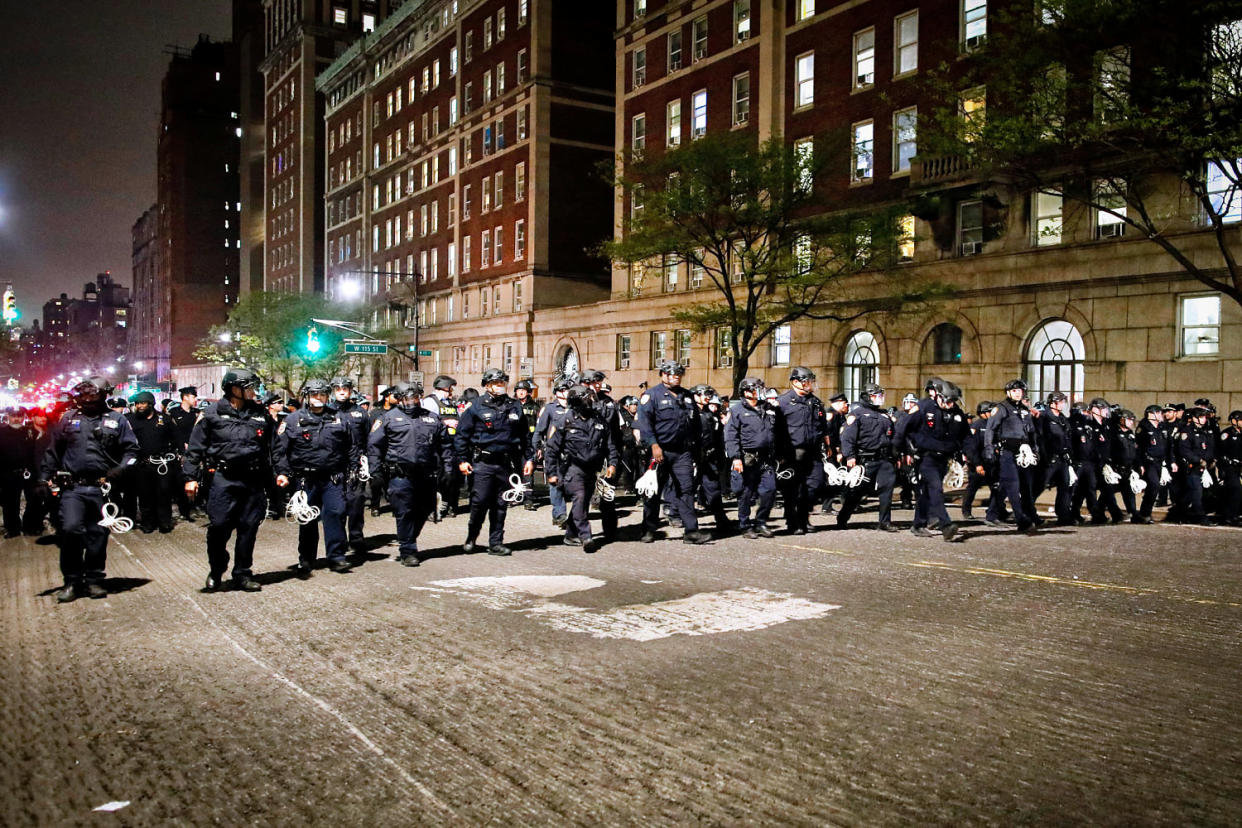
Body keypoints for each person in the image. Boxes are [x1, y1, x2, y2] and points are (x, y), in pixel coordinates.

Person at [39, 377, 139, 602]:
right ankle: (72, 581)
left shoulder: (117, 420)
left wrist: (120, 470)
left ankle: (94, 579)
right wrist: (43, 479)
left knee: (98, 535)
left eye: (92, 396)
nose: (86, 401)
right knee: (71, 530)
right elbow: (53, 451)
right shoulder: (68, 419)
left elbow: (132, 451)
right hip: (73, 488)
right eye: (83, 397)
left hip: (102, 489)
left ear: (104, 395)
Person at [182, 368, 274, 592]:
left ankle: (242, 573)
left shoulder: (261, 414)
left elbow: (275, 447)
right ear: (234, 389)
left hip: (252, 479)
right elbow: (195, 448)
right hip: (224, 479)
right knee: (219, 526)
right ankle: (216, 569)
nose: (253, 391)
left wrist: (280, 472)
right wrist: (190, 477)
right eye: (249, 387)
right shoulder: (211, 414)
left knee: (249, 527)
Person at [274, 378, 359, 575]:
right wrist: (283, 473)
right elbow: (280, 451)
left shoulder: (340, 418)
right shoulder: (293, 420)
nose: (318, 398)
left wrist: (353, 470)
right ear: (307, 396)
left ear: (327, 396)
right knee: (307, 519)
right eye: (314, 394)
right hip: (306, 479)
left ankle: (337, 557)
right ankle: (306, 559)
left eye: (322, 394)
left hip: (333, 478)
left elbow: (352, 447)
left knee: (336, 514)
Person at [368, 382, 451, 565]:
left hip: (426, 474)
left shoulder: (432, 418)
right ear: (399, 399)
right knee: (404, 511)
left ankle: (408, 537)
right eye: (407, 398)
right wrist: (375, 472)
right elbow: (374, 446)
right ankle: (408, 550)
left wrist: (448, 468)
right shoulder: (387, 418)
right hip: (400, 475)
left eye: (415, 397)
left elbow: (445, 445)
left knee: (426, 508)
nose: (412, 401)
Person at [454, 368, 534, 556]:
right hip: (483, 462)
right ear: (487, 385)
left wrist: (529, 458)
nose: (500, 386)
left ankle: (495, 542)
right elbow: (461, 436)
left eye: (502, 383)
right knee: (479, 502)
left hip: (505, 463)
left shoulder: (514, 406)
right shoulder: (476, 407)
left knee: (500, 504)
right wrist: (462, 460)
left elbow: (525, 436)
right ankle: (471, 537)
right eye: (497, 383)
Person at [636, 361, 709, 544]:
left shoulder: (687, 396)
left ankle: (691, 531)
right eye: (672, 374)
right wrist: (654, 446)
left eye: (679, 374)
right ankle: (649, 529)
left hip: (682, 453)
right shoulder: (651, 396)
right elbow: (644, 424)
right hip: (659, 451)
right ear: (663, 375)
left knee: (686, 490)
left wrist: (698, 449)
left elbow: (695, 425)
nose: (676, 377)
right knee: (653, 491)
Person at [545, 384, 618, 553]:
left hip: (591, 468)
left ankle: (571, 534)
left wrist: (612, 463)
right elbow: (552, 448)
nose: (591, 402)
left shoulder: (598, 419)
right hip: (572, 467)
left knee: (583, 502)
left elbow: (610, 444)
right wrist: (551, 473)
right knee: (580, 496)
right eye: (587, 399)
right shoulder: (564, 420)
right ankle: (586, 537)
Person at [895, 378, 962, 540]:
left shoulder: (954, 411)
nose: (951, 404)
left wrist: (963, 456)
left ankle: (918, 524)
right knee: (935, 488)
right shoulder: (923, 407)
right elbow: (903, 428)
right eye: (948, 400)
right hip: (925, 457)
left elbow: (963, 435)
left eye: (953, 401)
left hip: (943, 458)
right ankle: (946, 525)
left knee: (926, 492)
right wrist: (900, 452)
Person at [836, 382, 899, 531]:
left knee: (887, 490)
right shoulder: (857, 414)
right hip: (865, 459)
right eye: (876, 395)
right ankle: (843, 518)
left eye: (880, 395)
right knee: (856, 492)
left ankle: (884, 522)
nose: (879, 398)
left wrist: (896, 456)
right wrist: (850, 456)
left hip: (884, 459)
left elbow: (893, 437)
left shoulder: (884, 415)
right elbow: (847, 437)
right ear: (867, 397)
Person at [725, 377, 781, 538]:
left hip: (766, 458)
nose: (759, 392)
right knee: (745, 493)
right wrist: (735, 458)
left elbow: (776, 432)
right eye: (755, 389)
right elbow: (731, 436)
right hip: (746, 458)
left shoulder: (768, 408)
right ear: (746, 392)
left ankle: (761, 522)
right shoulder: (737, 411)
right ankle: (744, 525)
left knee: (769, 490)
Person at [983, 379, 1040, 534]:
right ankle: (1022, 520)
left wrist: (1035, 449)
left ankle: (992, 513)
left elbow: (1031, 432)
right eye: (1015, 391)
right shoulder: (1001, 408)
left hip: (1023, 452)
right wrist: (989, 448)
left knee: (1015, 485)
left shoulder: (1025, 409)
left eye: (1020, 391)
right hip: (1007, 451)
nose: (1018, 393)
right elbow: (990, 429)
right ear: (1008, 392)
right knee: (1013, 486)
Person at [776, 367, 829, 534]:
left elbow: (822, 427)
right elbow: (774, 429)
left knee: (816, 484)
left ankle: (803, 516)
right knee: (794, 490)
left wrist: (827, 445)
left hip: (813, 452)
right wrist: (778, 454)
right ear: (795, 382)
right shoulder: (782, 402)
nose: (810, 385)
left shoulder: (815, 402)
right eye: (807, 381)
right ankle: (795, 522)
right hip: (792, 453)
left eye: (811, 381)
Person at [123, 391, 180, 534]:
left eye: (143, 403)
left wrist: (176, 454)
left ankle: (164, 522)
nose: (139, 406)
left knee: (163, 493)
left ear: (151, 404)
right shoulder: (130, 420)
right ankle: (148, 523)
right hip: (141, 465)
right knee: (145, 495)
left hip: (162, 464)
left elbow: (176, 439)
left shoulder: (165, 419)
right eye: (137, 404)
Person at [581, 369, 623, 540]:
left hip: (604, 452)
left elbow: (613, 434)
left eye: (598, 382)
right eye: (593, 382)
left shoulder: (609, 403)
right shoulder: (577, 401)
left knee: (607, 493)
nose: (597, 385)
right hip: (582, 455)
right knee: (581, 495)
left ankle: (610, 531)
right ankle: (577, 530)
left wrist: (613, 459)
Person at [329, 376, 370, 550]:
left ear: (351, 390)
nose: (342, 392)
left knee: (356, 502)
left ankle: (356, 536)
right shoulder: (327, 411)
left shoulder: (360, 413)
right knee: (336, 505)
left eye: (345, 388)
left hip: (356, 463)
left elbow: (369, 438)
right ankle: (339, 540)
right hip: (334, 463)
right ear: (333, 391)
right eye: (338, 389)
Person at [690, 384, 733, 533]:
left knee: (713, 489)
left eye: (710, 393)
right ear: (695, 395)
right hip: (692, 458)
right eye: (704, 394)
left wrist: (719, 456)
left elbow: (718, 437)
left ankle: (721, 519)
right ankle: (683, 519)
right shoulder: (688, 413)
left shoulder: (711, 414)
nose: (708, 397)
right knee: (687, 490)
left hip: (709, 458)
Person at [533, 377, 572, 526]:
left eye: (568, 389)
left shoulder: (574, 408)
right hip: (554, 451)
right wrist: (537, 447)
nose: (566, 392)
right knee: (556, 483)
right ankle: (559, 514)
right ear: (558, 392)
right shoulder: (550, 409)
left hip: (571, 451)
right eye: (563, 390)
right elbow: (540, 430)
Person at [424, 375, 463, 516]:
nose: (451, 391)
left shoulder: (450, 403)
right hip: (437, 446)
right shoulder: (430, 402)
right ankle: (434, 507)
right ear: (443, 387)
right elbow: (427, 421)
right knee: (438, 477)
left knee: (452, 476)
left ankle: (450, 504)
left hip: (451, 444)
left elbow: (458, 416)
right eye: (449, 388)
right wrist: (445, 423)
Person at [1071, 398, 1113, 523]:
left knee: (1089, 488)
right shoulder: (1077, 425)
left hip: (1091, 461)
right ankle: (1072, 513)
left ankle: (1095, 514)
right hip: (1079, 461)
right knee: (1076, 489)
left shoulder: (1092, 425)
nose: (1086, 414)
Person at [1037, 392, 1076, 525]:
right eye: (1061, 402)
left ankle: (1063, 515)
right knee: (1039, 486)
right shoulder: (1044, 417)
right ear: (1052, 403)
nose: (1063, 404)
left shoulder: (1063, 418)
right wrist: (1044, 456)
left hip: (1063, 458)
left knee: (1065, 486)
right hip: (1049, 458)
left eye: (1064, 402)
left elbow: (1067, 438)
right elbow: (1041, 439)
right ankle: (1027, 511)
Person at [1175, 406, 1216, 524]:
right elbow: (1185, 451)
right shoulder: (1187, 432)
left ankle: (1179, 513)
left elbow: (1210, 447)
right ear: (1194, 418)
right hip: (1192, 467)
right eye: (1201, 417)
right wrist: (1198, 460)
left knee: (1191, 494)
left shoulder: (1206, 431)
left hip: (1205, 467)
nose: (1204, 419)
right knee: (1197, 492)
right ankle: (1201, 517)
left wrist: (1210, 460)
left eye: (1205, 417)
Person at [167, 386, 200, 522]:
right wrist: (181, 445)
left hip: (195, 451)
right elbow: (172, 433)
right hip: (179, 452)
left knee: (195, 480)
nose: (195, 399)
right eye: (193, 397)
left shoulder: (197, 413)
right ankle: (184, 510)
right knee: (181, 482)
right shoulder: (174, 413)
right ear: (185, 397)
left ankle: (193, 506)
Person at [367, 386, 400, 516]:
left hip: (392, 450)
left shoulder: (398, 412)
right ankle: (375, 505)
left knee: (392, 481)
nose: (397, 399)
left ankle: (393, 504)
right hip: (377, 451)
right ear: (387, 397)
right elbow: (370, 432)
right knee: (376, 480)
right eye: (394, 396)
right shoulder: (376, 413)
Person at [0, 408, 32, 538]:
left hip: (28, 473)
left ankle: (30, 526)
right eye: (14, 416)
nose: (17, 419)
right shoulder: (1, 432)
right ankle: (13, 529)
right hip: (8, 474)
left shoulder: (29, 432)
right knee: (10, 504)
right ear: (8, 417)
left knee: (32, 500)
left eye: (19, 416)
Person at [515, 379, 543, 511]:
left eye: (523, 390)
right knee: (514, 470)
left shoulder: (535, 407)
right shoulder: (512, 405)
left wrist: (539, 447)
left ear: (528, 392)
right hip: (514, 443)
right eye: (518, 390)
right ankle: (516, 496)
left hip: (529, 443)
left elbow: (540, 427)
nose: (520, 392)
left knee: (528, 471)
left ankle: (528, 499)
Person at [1217, 410, 1242, 526]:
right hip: (1229, 467)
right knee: (1235, 489)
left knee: (1236, 491)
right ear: (1234, 421)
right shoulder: (1227, 434)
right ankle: (1229, 516)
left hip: (1240, 468)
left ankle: (1235, 514)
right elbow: (1220, 452)